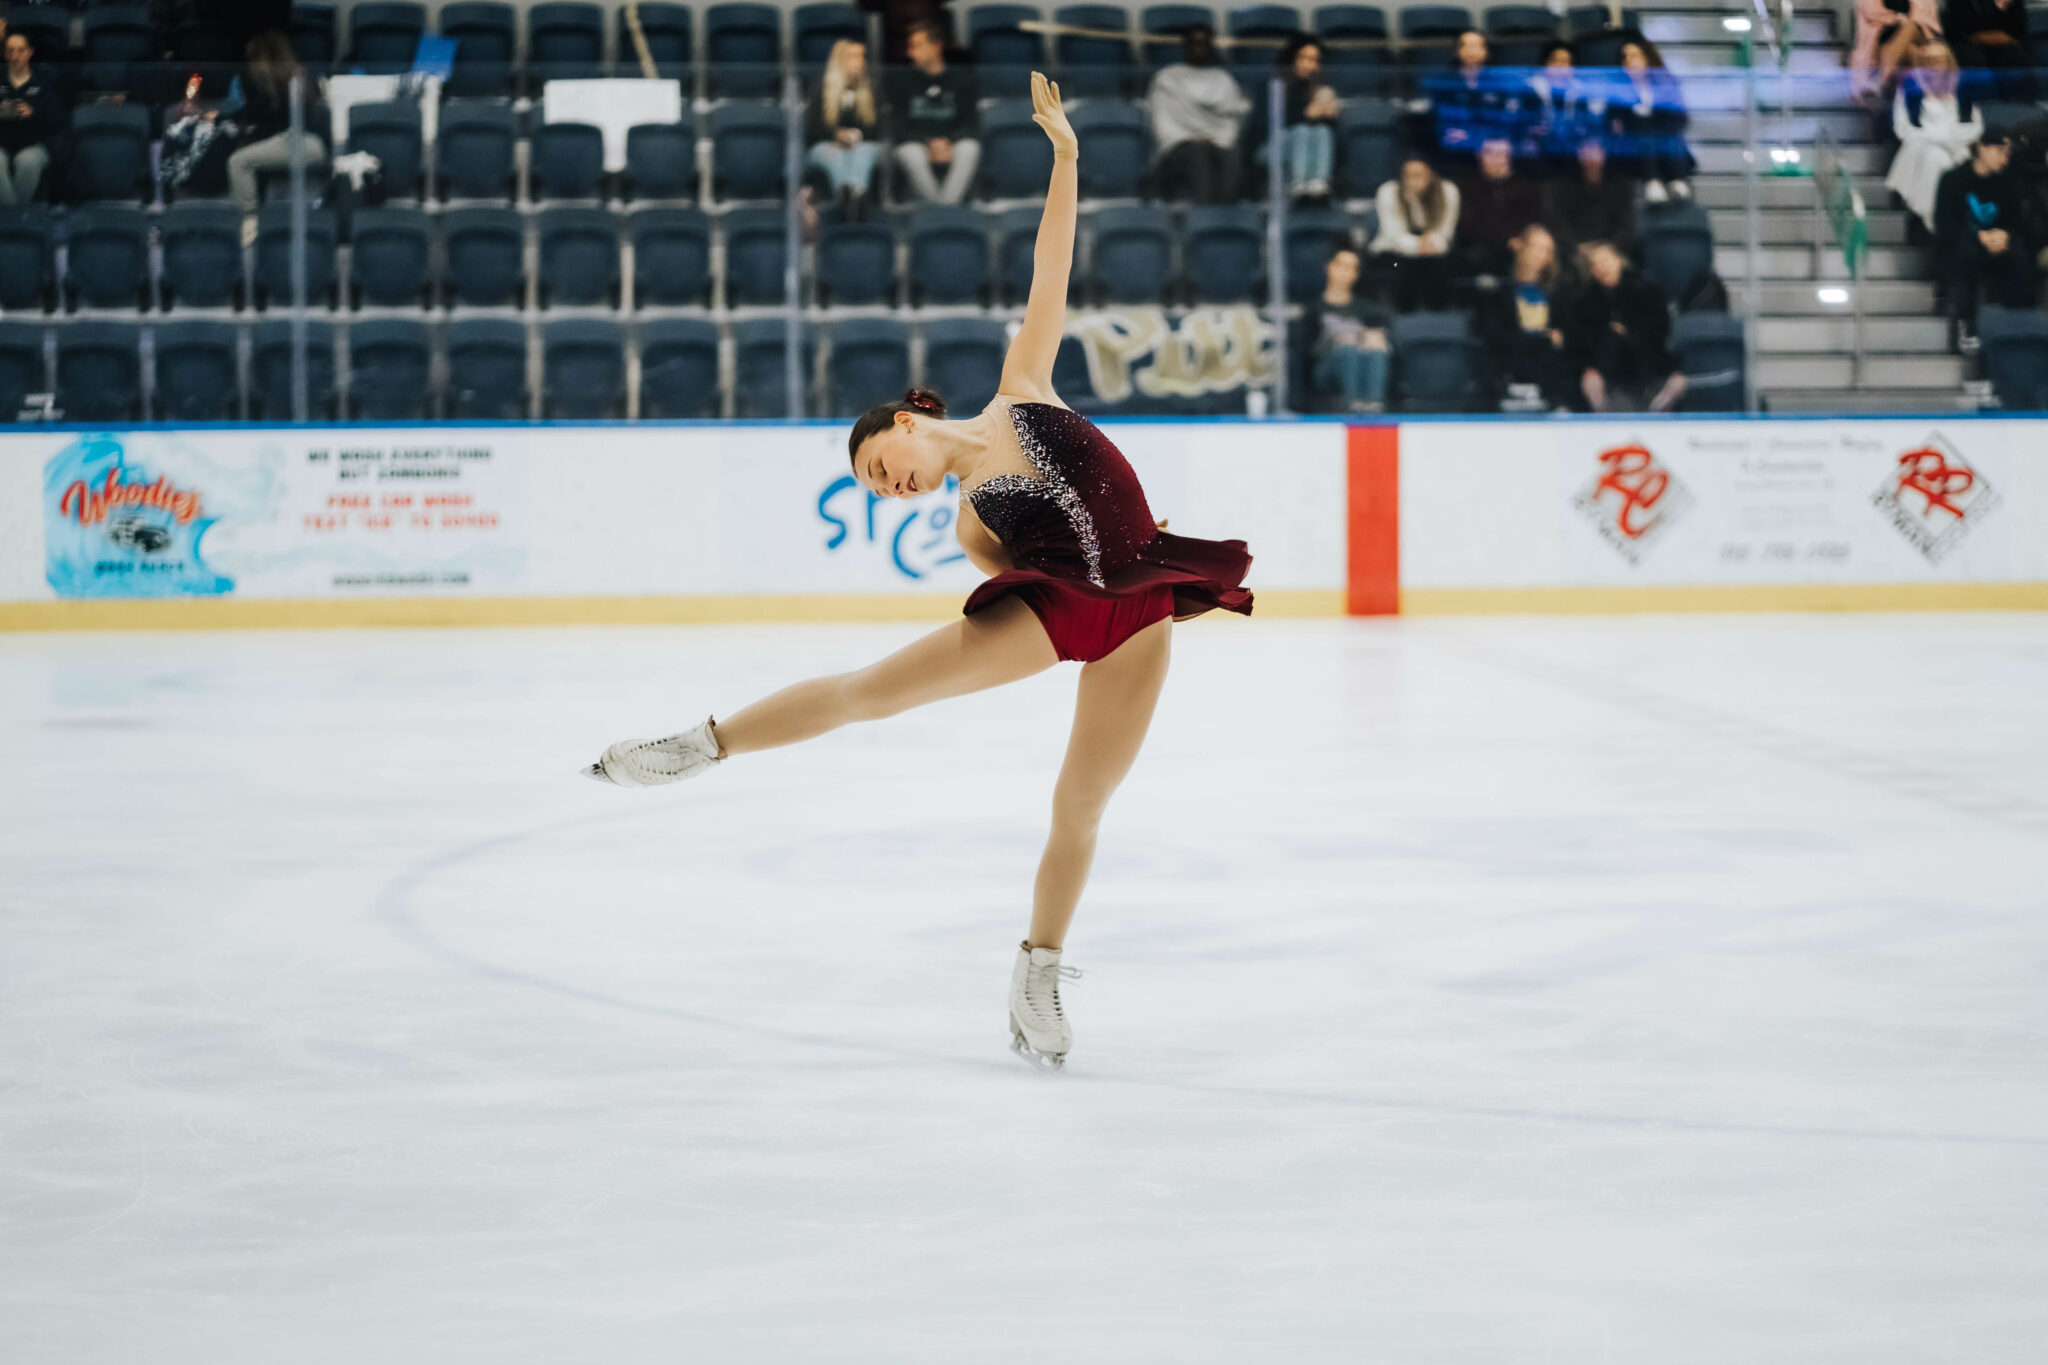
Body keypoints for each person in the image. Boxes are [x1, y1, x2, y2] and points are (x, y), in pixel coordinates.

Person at [584, 74, 1254, 1074]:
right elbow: (1012, 562)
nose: (885, 487)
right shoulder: (968, 527)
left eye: (876, 468)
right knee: (869, 694)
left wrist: (1065, 154)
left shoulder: (1019, 390)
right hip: (1054, 611)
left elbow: (1049, 268)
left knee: (1080, 807)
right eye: (873, 491)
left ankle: (1037, 971)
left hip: (1142, 612)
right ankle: (703, 745)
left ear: (903, 422)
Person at [1932, 130, 2039, 347]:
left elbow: (2018, 221)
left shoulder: (2009, 181)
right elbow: (1945, 224)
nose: (2004, 159)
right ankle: (1967, 324)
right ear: (1981, 148)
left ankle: (2014, 326)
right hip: (1963, 243)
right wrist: (1979, 236)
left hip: (1998, 243)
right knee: (1966, 255)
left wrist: (2005, 234)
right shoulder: (1953, 179)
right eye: (1999, 151)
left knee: (2018, 256)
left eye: (2007, 153)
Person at [1563, 239, 1686, 412]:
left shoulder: (1648, 293)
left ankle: (1657, 409)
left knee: (1678, 380)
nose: (1601, 267)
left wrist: (1629, 334)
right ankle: (1604, 414)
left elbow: (1659, 335)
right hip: (1608, 372)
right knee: (1590, 379)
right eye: (1594, 265)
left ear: (1618, 260)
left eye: (1605, 261)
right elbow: (1581, 347)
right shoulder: (1584, 304)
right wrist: (1610, 336)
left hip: (1647, 367)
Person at [226, 32, 328, 223]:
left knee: (238, 162)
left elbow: (254, 114)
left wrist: (219, 118)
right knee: (250, 152)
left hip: (296, 142)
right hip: (314, 144)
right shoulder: (301, 75)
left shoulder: (271, 88)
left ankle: (250, 222)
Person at [1146, 24, 1250, 204]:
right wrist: (1192, 139)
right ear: (1185, 47)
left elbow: (1231, 120)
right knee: (1198, 153)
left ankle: (1227, 214)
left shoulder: (1223, 79)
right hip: (1180, 144)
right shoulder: (1168, 78)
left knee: (1230, 156)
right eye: (1194, 43)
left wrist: (1216, 139)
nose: (1199, 48)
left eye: (1204, 44)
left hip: (1218, 141)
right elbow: (1162, 122)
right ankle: (1204, 216)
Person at [1887, 43, 1984, 231]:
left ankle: (1949, 222)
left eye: (1939, 60)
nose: (1934, 66)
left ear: (1948, 62)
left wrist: (1944, 138)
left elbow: (1975, 128)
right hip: (1920, 149)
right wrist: (1943, 138)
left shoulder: (1963, 89)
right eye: (1928, 61)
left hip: (1959, 149)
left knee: (1953, 161)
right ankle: (1936, 222)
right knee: (1937, 159)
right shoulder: (1909, 89)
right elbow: (1904, 130)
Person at [1477, 223, 1574, 409]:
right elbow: (1494, 338)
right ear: (1519, 246)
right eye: (1535, 247)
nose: (1540, 254)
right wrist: (1541, 339)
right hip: (1510, 372)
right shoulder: (1498, 292)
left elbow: (1566, 336)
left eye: (1546, 250)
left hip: (1549, 375)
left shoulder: (1558, 294)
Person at [888, 20, 979, 204]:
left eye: (916, 46)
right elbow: (898, 125)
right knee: (910, 153)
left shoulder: (962, 81)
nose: (910, 53)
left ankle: (945, 207)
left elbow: (971, 122)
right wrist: (928, 143)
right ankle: (941, 209)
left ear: (936, 46)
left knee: (969, 148)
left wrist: (948, 142)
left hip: (951, 142)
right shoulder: (901, 82)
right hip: (917, 142)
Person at [1601, 37, 1694, 200]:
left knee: (1663, 133)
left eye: (1635, 55)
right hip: (1634, 151)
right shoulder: (1618, 91)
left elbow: (1680, 119)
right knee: (1644, 131)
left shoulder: (1666, 84)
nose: (1630, 61)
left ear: (1646, 58)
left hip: (1667, 147)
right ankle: (1653, 180)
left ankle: (1675, 179)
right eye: (1626, 57)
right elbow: (1612, 124)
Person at [1306, 242, 1393, 412]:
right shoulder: (1315, 308)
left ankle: (1374, 404)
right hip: (1328, 368)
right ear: (1330, 267)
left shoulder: (1365, 308)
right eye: (1341, 265)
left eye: (1351, 268)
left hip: (1362, 362)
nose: (1345, 272)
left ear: (1355, 275)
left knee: (1375, 347)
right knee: (1348, 345)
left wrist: (1370, 338)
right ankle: (1351, 403)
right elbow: (1307, 349)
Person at [1369, 156, 1461, 310]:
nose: (1412, 181)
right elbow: (1392, 233)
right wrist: (1418, 246)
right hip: (1394, 252)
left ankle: (1439, 317)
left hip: (1434, 251)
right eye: (1408, 176)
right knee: (1404, 268)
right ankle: (1403, 315)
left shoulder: (1448, 190)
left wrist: (1432, 244)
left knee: (1438, 268)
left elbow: (1446, 232)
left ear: (1430, 174)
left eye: (1418, 175)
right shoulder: (1388, 191)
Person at [807, 39, 884, 217]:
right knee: (833, 154)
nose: (860, 61)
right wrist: (835, 135)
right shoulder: (820, 87)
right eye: (853, 56)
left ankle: (854, 196)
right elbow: (811, 129)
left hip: (864, 144)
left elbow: (879, 128)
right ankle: (846, 200)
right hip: (827, 145)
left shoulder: (872, 88)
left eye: (862, 56)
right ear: (840, 60)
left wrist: (857, 135)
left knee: (862, 152)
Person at [1454, 138, 1545, 284]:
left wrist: (1522, 239)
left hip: (1520, 244)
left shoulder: (1527, 187)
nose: (1496, 159)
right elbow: (1468, 225)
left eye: (1501, 154)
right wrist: (1506, 240)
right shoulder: (1467, 186)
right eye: (1489, 153)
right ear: (1480, 156)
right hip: (1480, 248)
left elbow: (1534, 219)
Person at [1429, 29, 1525, 163]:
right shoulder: (1445, 83)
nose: (1471, 51)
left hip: (1493, 151)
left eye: (1476, 46)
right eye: (1465, 46)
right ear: (1456, 51)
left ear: (1486, 51)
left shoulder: (1499, 83)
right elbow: (1441, 122)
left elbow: (1504, 120)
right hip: (1455, 152)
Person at [1546, 137, 1638, 261]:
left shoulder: (1621, 185)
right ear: (1579, 154)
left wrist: (1608, 250)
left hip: (1612, 253)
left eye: (1596, 151)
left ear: (1604, 153)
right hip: (1574, 254)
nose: (1592, 158)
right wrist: (1576, 249)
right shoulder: (1562, 186)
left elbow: (1626, 226)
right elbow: (1558, 223)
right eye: (1587, 151)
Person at [1274, 36, 1339, 200]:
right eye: (1303, 58)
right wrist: (1305, 114)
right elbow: (1265, 124)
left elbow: (1335, 138)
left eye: (1314, 60)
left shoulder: (1321, 88)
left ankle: (1319, 181)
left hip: (1307, 147)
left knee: (1322, 131)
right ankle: (1299, 182)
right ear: (1292, 58)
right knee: (1302, 131)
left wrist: (1329, 116)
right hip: (1271, 146)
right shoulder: (1275, 84)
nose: (1308, 65)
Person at [0, 31, 58, 206]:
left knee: (27, 161)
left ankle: (9, 218)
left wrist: (34, 113)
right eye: (10, 51)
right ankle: (17, 216)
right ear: (4, 53)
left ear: (30, 52)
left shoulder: (44, 83)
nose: (15, 56)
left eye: (20, 50)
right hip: (2, 143)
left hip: (34, 144)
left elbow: (56, 120)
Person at [1525, 40, 1597, 172]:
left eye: (1565, 62)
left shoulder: (1581, 92)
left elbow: (1587, 125)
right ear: (1546, 64)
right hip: (1539, 151)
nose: (1560, 66)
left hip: (1573, 153)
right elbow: (1523, 124)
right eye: (1555, 61)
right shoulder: (1530, 89)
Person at [1852, 0, 1944, 99]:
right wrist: (1898, 18)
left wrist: (1905, 21)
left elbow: (1926, 19)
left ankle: (1882, 80)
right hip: (1885, 41)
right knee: (1907, 49)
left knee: (1910, 27)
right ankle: (1887, 84)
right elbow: (1872, 13)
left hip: (1918, 35)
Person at [1945, 0, 2033, 96]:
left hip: (2004, 42)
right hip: (1967, 44)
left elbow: (2017, 30)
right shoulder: (1958, 3)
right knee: (1973, 60)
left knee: (2013, 55)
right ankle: (1982, 103)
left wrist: (2000, 7)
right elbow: (1963, 29)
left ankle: (2022, 102)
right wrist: (1999, 8)